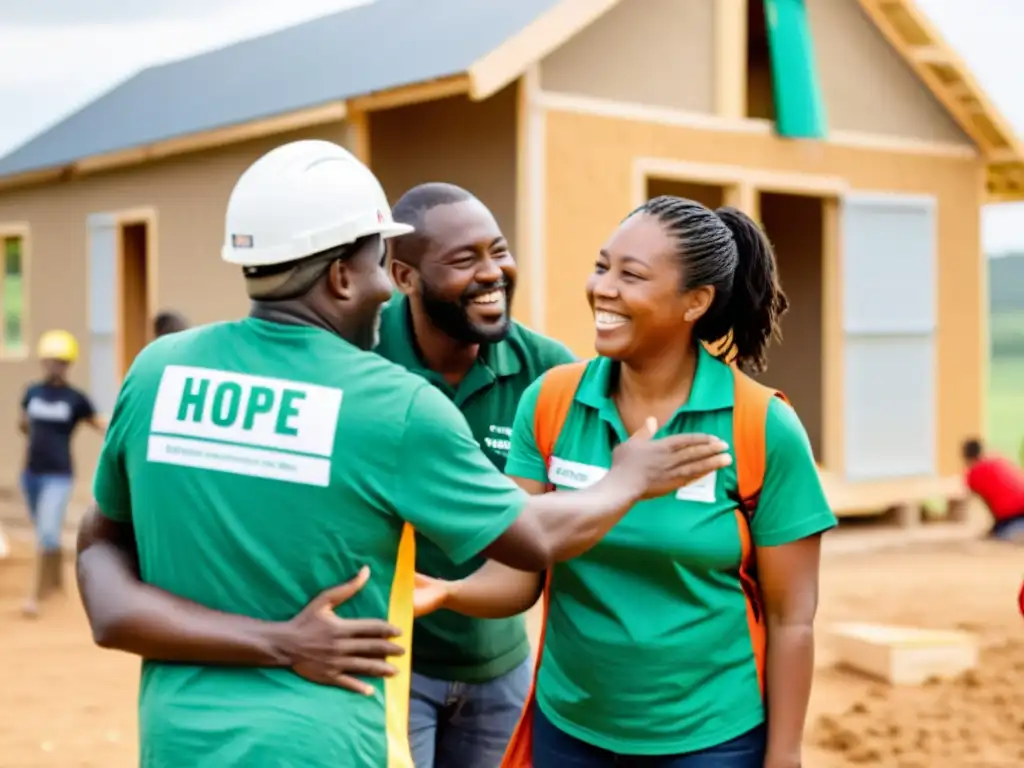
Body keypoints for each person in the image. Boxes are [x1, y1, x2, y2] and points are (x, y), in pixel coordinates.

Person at [76, 142, 730, 768]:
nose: (385, 291)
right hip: (330, 741)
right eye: (374, 266)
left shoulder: (159, 370)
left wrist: (271, 641)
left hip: (178, 742)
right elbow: (530, 538)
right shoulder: (391, 404)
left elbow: (104, 584)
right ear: (340, 275)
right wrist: (625, 480)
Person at [416, 196, 837, 768]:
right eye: (601, 266)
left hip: (712, 740)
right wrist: (448, 592)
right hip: (569, 731)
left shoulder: (761, 426)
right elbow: (519, 577)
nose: (603, 289)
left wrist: (784, 755)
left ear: (696, 302)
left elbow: (793, 619)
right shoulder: (553, 403)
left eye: (630, 275)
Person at [380, 183, 575, 768]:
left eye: (499, 250)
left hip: (501, 669)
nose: (493, 273)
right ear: (404, 276)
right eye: (465, 260)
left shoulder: (549, 372)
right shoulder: (361, 359)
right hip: (391, 661)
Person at [18, 329, 104, 617]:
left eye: (62, 361)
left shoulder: (75, 399)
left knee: (46, 533)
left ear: (69, 364)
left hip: (59, 475)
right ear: (44, 361)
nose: (57, 365)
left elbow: (98, 423)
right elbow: (23, 424)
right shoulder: (32, 392)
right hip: (31, 474)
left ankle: (35, 598)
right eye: (52, 360)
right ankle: (55, 586)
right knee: (46, 534)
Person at [962, 438, 1024, 542]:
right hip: (1017, 511)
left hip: (1013, 517)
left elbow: (990, 504)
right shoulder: (999, 461)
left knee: (1002, 536)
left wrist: (994, 528)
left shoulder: (973, 475)